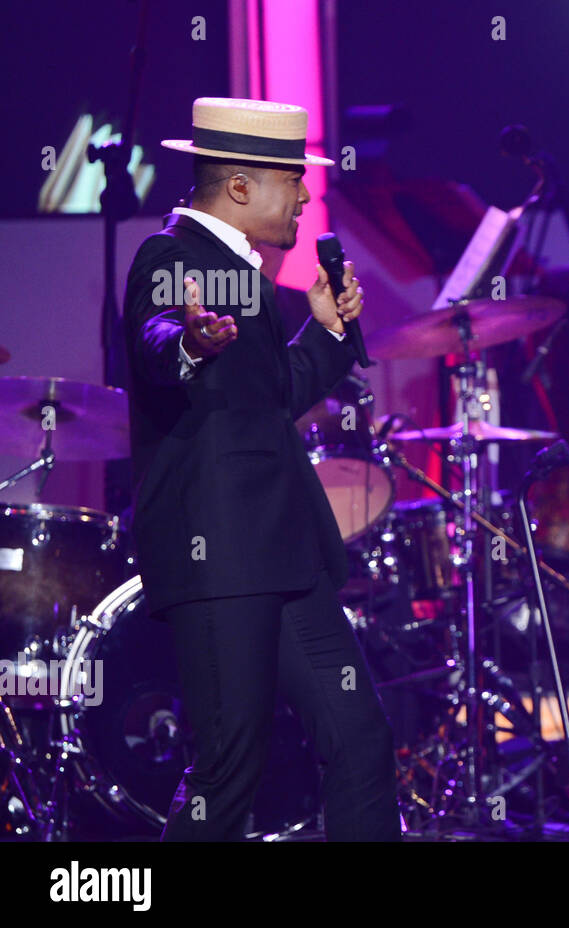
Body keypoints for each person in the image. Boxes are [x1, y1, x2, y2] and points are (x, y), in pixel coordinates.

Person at [122, 97, 400, 841]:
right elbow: (157, 336)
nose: (307, 195)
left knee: (361, 738)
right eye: (293, 179)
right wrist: (186, 343)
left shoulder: (245, 275)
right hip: (218, 552)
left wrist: (330, 332)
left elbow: (267, 399)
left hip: (284, 553)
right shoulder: (170, 258)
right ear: (240, 186)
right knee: (228, 767)